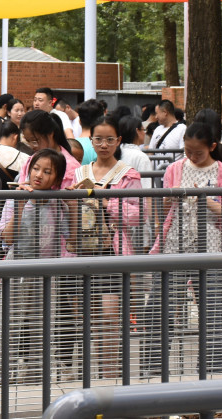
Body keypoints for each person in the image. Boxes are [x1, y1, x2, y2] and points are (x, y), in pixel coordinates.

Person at [143, 121, 222, 376]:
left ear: (212, 147)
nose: (191, 157)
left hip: (211, 246)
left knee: (212, 308)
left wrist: (205, 199)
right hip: (175, 242)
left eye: (197, 152)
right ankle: (155, 366)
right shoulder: (175, 168)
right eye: (187, 151)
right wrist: (170, 197)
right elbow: (163, 209)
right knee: (161, 303)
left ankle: (212, 366)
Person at [70, 115, 142, 378]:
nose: (103, 145)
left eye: (109, 139)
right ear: (91, 140)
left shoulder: (128, 174)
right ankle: (93, 375)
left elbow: (137, 214)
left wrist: (104, 200)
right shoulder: (78, 172)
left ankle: (110, 374)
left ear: (118, 141)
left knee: (111, 317)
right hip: (81, 251)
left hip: (113, 250)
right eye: (98, 139)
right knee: (87, 319)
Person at [0, 148, 69, 381]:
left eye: (47, 171)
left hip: (47, 272)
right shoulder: (14, 197)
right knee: (8, 324)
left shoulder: (59, 203)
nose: (38, 175)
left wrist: (74, 206)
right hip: (15, 268)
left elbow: (75, 241)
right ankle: (3, 377)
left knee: (42, 326)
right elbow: (7, 238)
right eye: (35, 168)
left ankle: (38, 378)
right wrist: (19, 205)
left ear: (57, 179)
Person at [148, 99, 185, 163]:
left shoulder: (182, 129)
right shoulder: (157, 129)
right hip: (156, 172)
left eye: (157, 113)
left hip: (173, 172)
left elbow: (185, 153)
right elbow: (150, 152)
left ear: (165, 112)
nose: (156, 117)